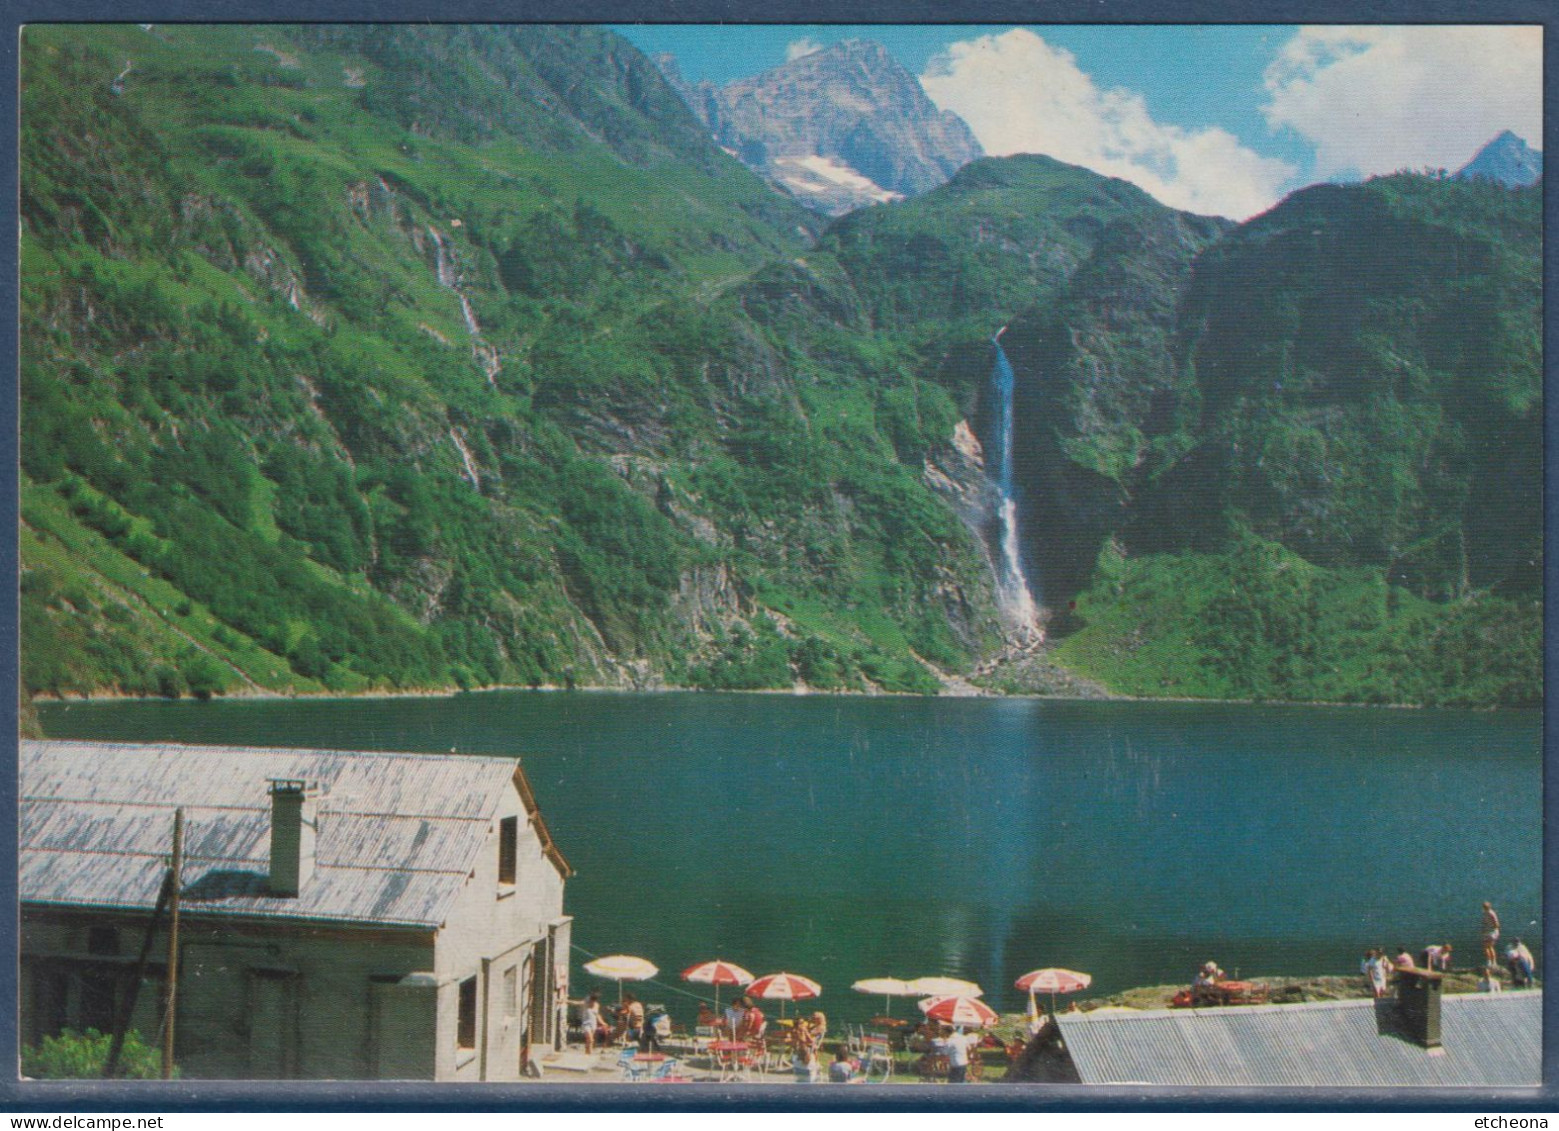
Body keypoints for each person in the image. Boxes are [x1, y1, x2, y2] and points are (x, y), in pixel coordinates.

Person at [789, 1016, 819, 1083]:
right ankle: (812, 1065)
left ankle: (815, 1064)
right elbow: (799, 1041)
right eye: (801, 1023)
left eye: (803, 1023)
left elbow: (810, 1040)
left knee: (814, 1048)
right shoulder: (794, 1031)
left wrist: (811, 1043)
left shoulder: (803, 1030)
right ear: (797, 1024)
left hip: (804, 1047)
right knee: (809, 1049)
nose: (803, 1024)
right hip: (798, 1050)